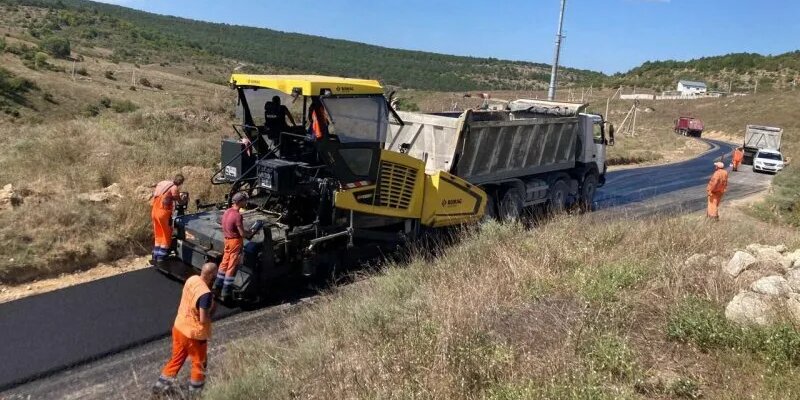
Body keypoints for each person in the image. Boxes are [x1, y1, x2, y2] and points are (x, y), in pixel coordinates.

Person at [153, 262, 218, 395]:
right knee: (199, 363)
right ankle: (195, 392)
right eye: (215, 273)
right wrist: (213, 307)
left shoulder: (192, 279)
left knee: (177, 358)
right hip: (193, 335)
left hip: (179, 327)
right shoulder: (205, 295)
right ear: (211, 275)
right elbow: (203, 318)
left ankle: (159, 388)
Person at [212, 192, 251, 301]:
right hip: (235, 242)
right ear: (240, 202)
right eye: (245, 200)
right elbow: (242, 234)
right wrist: (250, 233)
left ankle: (217, 285)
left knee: (224, 262)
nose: (246, 202)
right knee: (232, 266)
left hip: (227, 240)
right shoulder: (237, 215)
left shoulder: (227, 211)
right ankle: (226, 291)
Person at [151, 174, 187, 265]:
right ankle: (161, 256)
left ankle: (155, 254)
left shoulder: (163, 182)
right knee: (166, 233)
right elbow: (179, 200)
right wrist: (183, 199)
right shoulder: (174, 188)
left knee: (158, 232)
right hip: (163, 213)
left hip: (154, 211)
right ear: (181, 183)